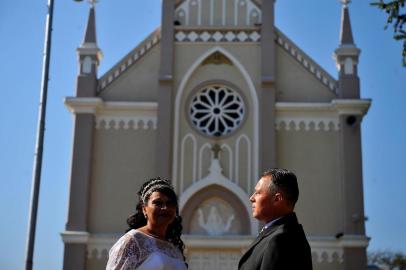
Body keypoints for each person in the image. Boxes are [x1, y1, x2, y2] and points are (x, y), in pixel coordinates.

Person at [238, 169, 313, 270]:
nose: (252, 198)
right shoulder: (285, 234)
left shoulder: (281, 240)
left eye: (258, 193)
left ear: (277, 199)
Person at [106, 178, 187, 270]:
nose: (165, 208)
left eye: (170, 203)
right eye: (158, 203)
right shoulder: (133, 241)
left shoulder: (174, 248)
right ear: (144, 209)